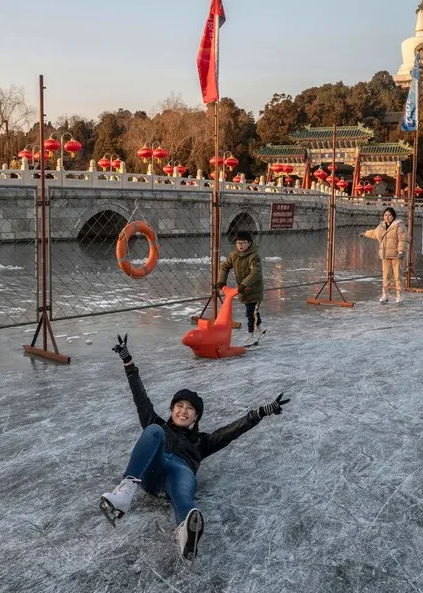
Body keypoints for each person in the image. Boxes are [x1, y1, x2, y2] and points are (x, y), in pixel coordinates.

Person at [98, 335, 289, 561]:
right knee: (153, 431)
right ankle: (126, 490)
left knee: (184, 483)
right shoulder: (157, 422)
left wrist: (260, 412)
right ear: (172, 409)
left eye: (190, 409)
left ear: (196, 417)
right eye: (179, 405)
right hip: (152, 472)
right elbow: (140, 397)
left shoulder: (202, 441)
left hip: (179, 473)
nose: (183, 411)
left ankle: (186, 531)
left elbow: (231, 431)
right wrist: (128, 363)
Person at [215, 231, 265, 345]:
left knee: (251, 313)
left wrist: (244, 284)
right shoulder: (234, 255)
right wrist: (221, 281)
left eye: (243, 243)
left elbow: (255, 273)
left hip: (254, 290)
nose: (240, 246)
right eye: (238, 243)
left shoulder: (254, 257)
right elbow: (224, 267)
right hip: (243, 290)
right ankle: (261, 328)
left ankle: (251, 335)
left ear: (249, 243)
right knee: (251, 312)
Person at [362, 206, 407, 304]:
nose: (387, 217)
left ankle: (399, 294)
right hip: (385, 255)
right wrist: (365, 234)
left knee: (397, 275)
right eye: (385, 215)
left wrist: (401, 252)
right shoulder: (381, 226)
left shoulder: (399, 226)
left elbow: (402, 240)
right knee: (386, 275)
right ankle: (385, 294)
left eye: (389, 215)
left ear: (393, 216)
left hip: (397, 255)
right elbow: (374, 233)